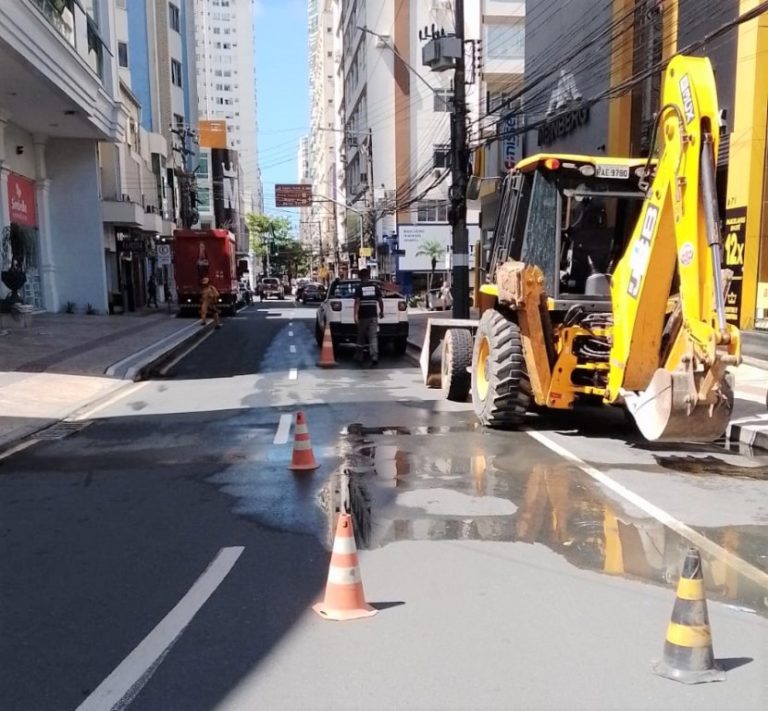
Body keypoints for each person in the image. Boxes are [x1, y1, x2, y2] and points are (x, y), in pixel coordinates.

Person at [353, 268, 384, 366]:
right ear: (369, 276)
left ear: (360, 277)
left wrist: (355, 315)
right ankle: (374, 356)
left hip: (363, 316)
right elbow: (380, 300)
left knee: (361, 336)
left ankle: (359, 356)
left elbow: (357, 302)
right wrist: (382, 311)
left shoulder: (359, 287)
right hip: (373, 315)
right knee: (373, 337)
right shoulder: (375, 287)